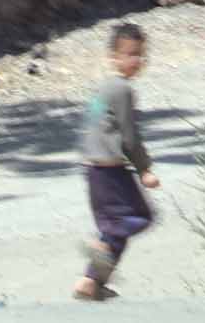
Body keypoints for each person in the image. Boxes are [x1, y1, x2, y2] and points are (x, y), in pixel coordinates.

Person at [75, 23, 161, 301]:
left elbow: (92, 126)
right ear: (113, 57)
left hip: (93, 169)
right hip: (109, 171)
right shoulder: (122, 90)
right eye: (130, 54)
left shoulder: (104, 89)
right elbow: (130, 135)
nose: (137, 61)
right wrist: (144, 168)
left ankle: (91, 283)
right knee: (140, 217)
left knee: (115, 230)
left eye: (140, 55)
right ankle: (97, 244)